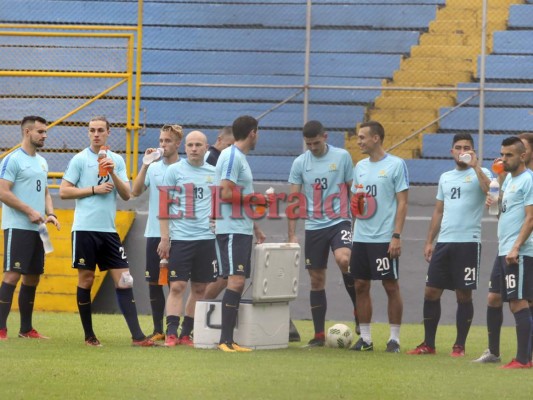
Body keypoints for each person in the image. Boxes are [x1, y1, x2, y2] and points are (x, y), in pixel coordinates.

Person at [59, 116, 157, 347]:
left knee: (124, 280)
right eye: (92, 130)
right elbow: (64, 191)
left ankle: (137, 337)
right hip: (84, 229)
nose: (96, 134)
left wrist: (112, 173)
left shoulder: (116, 160)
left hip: (108, 231)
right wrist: (94, 189)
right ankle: (89, 336)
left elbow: (127, 195)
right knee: (87, 278)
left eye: (100, 130)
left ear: (108, 133)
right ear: (88, 133)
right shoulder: (80, 159)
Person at [407, 133, 491, 356]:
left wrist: (476, 167)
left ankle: (459, 346)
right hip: (444, 243)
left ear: (473, 151)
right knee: (431, 291)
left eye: (467, 147)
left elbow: (489, 192)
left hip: (468, 243)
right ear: (451, 151)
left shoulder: (482, 173)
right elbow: (438, 211)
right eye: (458, 147)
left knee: (463, 294)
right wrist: (428, 241)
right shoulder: (445, 177)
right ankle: (428, 344)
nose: (462, 150)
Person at [287, 120, 355, 347]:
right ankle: (318, 335)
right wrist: (292, 235)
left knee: (344, 259)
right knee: (316, 280)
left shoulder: (342, 157)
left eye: (316, 143)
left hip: (339, 221)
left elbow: (352, 189)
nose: (313, 148)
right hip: (314, 226)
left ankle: (359, 311)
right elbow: (294, 201)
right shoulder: (300, 163)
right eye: (309, 144)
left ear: (325, 137)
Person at [349, 120, 408, 353]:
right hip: (361, 236)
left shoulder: (396, 165)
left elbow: (403, 202)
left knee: (390, 285)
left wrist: (396, 235)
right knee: (361, 285)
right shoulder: (360, 167)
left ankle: (394, 339)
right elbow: (357, 202)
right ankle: (365, 339)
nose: (359, 141)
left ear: (376, 138)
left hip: (384, 237)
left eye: (362, 137)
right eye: (358, 137)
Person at [474, 133, 533, 366]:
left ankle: (522, 359)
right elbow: (504, 213)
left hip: (518, 250)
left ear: (523, 155)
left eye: (509, 155)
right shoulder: (508, 180)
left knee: (518, 301)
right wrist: (494, 203)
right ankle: (496, 352)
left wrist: (516, 247)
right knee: (494, 298)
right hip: (504, 249)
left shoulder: (528, 179)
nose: (503, 159)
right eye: (501, 154)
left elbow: (530, 218)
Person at [0, 116, 60, 340]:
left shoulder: (42, 162)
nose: (45, 136)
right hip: (18, 227)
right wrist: (29, 211)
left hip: (38, 229)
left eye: (45, 132)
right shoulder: (12, 159)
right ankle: (0, 328)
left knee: (32, 277)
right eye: (41, 132)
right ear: (27, 132)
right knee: (12, 275)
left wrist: (50, 213)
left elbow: (44, 192)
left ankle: (26, 329)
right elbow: (3, 191)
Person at [157, 130, 218, 346]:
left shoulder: (214, 172)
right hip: (181, 238)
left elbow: (219, 204)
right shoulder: (174, 171)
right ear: (185, 147)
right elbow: (164, 206)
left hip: (206, 240)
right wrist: (165, 238)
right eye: (190, 144)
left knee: (200, 288)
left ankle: (187, 333)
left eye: (198, 145)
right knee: (177, 286)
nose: (194, 148)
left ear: (206, 147)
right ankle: (171, 332)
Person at [214, 115, 266, 352]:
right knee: (234, 280)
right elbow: (224, 194)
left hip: (242, 228)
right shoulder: (232, 156)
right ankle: (224, 340)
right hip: (231, 229)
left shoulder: (239, 157)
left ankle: (229, 340)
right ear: (253, 133)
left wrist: (255, 226)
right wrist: (257, 199)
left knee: (238, 279)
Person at [131, 124, 183, 341]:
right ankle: (158, 330)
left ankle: (175, 330)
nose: (163, 145)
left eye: (167, 141)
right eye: (161, 140)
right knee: (153, 281)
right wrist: (144, 165)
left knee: (175, 282)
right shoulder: (154, 169)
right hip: (154, 231)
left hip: (179, 233)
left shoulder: (184, 168)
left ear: (178, 143)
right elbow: (134, 191)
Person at [201, 126, 234, 301]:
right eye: (229, 145)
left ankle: (197, 318)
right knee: (222, 276)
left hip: (217, 225)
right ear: (219, 140)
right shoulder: (209, 159)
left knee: (222, 276)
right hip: (206, 227)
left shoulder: (225, 161)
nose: (231, 150)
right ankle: (197, 317)